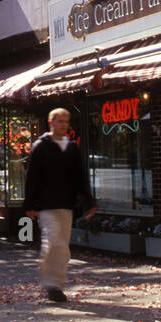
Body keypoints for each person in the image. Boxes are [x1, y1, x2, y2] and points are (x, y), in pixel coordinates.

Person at [24, 107, 97, 303]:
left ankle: (57, 283)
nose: (64, 125)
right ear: (51, 123)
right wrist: (30, 204)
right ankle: (50, 284)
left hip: (66, 203)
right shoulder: (40, 146)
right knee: (53, 241)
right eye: (60, 121)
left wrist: (88, 202)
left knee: (63, 247)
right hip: (46, 204)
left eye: (66, 122)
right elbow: (32, 176)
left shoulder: (71, 147)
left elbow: (80, 176)